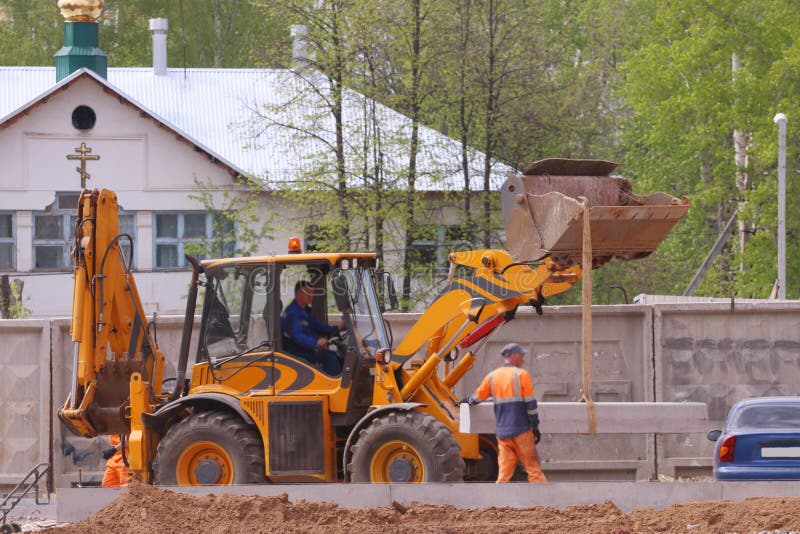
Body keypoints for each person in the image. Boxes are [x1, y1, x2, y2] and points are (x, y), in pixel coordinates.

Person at [464, 342, 547, 484]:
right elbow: (531, 405)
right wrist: (536, 427)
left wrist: (465, 402)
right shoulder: (522, 375)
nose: (523, 359)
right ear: (513, 356)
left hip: (503, 432)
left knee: (504, 473)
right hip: (521, 430)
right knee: (533, 469)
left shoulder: (492, 376)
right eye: (521, 356)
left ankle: (498, 503)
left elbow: (477, 397)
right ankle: (545, 500)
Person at [281, 280, 342, 375]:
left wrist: (337, 328)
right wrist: (316, 342)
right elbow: (297, 336)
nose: (311, 296)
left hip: (307, 349)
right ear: (298, 293)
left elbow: (319, 326)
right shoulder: (292, 313)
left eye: (312, 293)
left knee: (334, 355)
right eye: (308, 293)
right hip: (296, 352)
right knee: (331, 359)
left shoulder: (307, 311)